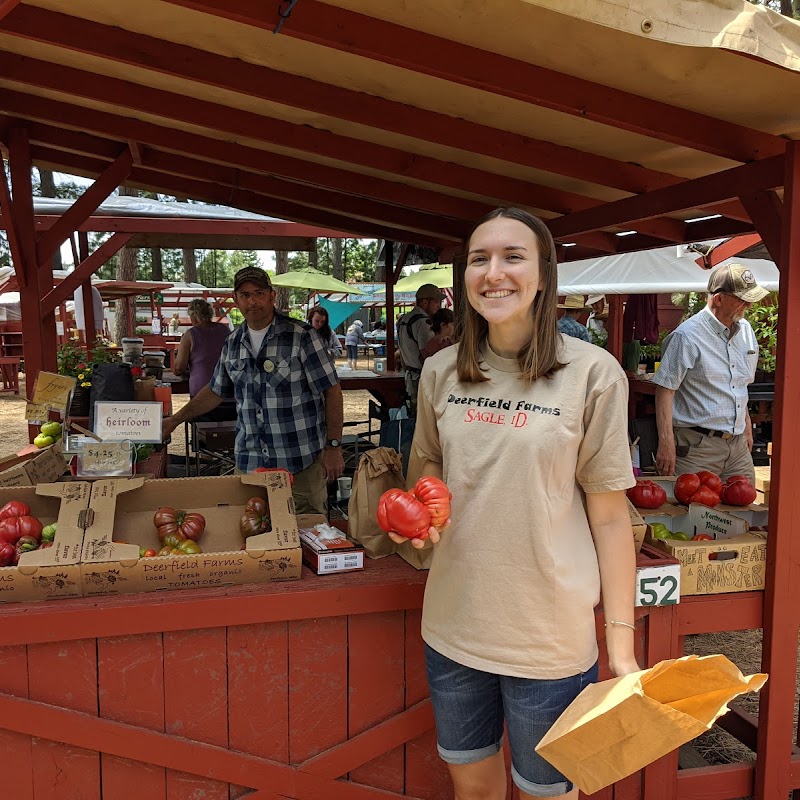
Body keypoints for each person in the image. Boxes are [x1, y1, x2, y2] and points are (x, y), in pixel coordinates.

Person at [388, 208, 639, 800]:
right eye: (480, 259)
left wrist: (622, 650)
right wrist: (420, 516)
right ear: (464, 276)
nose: (494, 273)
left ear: (545, 274)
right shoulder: (440, 371)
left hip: (548, 641)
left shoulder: (594, 374)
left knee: (548, 795)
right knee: (473, 789)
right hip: (453, 628)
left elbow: (609, 519)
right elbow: (425, 465)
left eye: (513, 256)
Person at [163, 266, 345, 515]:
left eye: (259, 293)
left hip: (299, 464)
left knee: (306, 540)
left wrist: (333, 447)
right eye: (245, 295)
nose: (253, 301)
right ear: (236, 300)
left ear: (272, 296)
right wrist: (175, 420)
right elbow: (215, 391)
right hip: (249, 464)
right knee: (251, 539)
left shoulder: (302, 336)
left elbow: (332, 391)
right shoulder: (233, 342)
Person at [654, 263, 767, 483]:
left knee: (746, 512)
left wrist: (747, 427)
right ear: (719, 298)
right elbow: (665, 391)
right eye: (743, 299)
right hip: (697, 447)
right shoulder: (686, 337)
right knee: (694, 514)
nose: (749, 305)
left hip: (737, 446)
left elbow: (740, 384)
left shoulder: (746, 331)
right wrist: (666, 443)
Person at [172, 299, 234, 420]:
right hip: (229, 393)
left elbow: (179, 368)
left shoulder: (190, 334)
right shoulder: (225, 330)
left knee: (200, 433)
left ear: (195, 316)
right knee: (227, 434)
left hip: (202, 396)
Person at [397, 283, 445, 412]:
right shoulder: (423, 323)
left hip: (410, 375)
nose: (438, 305)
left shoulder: (404, 319)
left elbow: (401, 352)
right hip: (422, 378)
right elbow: (428, 354)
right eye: (435, 301)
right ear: (424, 302)